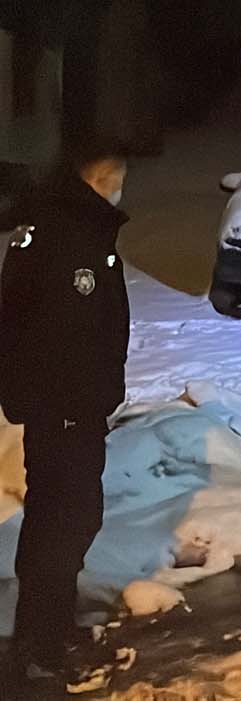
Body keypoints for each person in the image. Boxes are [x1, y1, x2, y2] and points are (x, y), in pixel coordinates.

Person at [1, 143, 130, 684]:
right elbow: (67, 335)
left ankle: (42, 634)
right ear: (98, 178)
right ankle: (44, 650)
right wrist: (79, 403)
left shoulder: (62, 229)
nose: (122, 189)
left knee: (54, 518)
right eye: (118, 178)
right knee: (68, 521)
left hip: (60, 407)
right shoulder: (71, 238)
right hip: (66, 410)